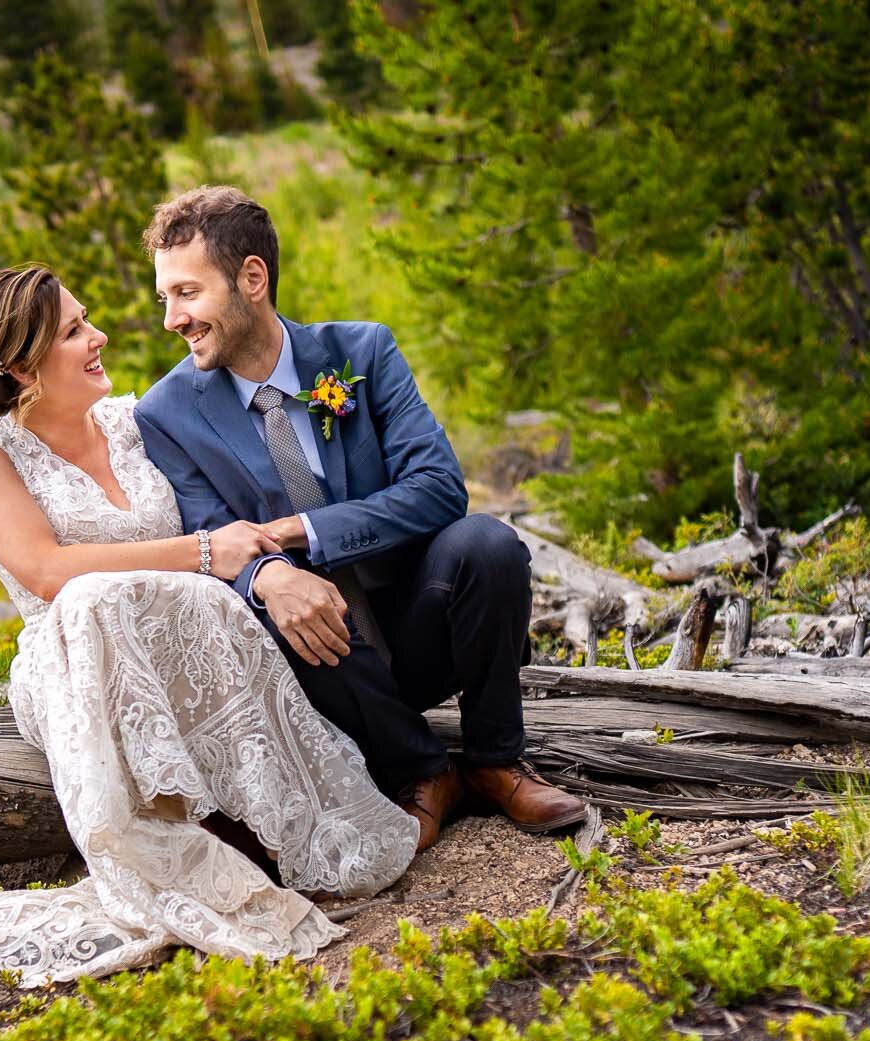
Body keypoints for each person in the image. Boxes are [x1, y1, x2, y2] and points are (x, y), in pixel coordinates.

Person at [0, 264, 417, 986]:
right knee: (94, 601)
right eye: (75, 330)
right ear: (22, 365)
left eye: (88, 320)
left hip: (193, 647)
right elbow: (51, 572)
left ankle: (269, 817)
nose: (99, 336)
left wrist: (269, 558)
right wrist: (206, 551)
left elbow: (219, 501)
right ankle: (178, 843)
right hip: (78, 660)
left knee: (196, 600)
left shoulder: (134, 423)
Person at [132, 185, 587, 853]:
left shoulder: (362, 354)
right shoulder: (167, 413)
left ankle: (494, 760)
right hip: (321, 666)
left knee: (489, 544)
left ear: (251, 278)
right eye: (164, 297)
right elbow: (214, 541)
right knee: (267, 606)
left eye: (188, 293)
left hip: (418, 620)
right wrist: (268, 577)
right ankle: (424, 772)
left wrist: (299, 531)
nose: (172, 317)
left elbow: (438, 489)